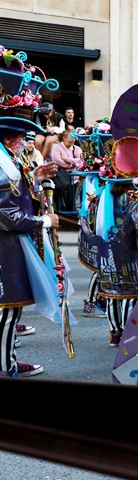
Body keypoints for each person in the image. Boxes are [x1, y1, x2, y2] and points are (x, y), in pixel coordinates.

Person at [0, 120, 61, 377]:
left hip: (10, 246)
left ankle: (7, 360)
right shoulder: (2, 166)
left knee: (9, 311)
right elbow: (5, 215)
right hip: (5, 249)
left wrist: (36, 177)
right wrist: (44, 221)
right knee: (8, 310)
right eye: (20, 138)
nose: (25, 143)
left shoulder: (9, 161)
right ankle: (5, 367)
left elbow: (18, 196)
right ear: (7, 140)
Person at [49, 129, 80, 211]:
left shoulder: (76, 148)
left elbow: (81, 160)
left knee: (73, 199)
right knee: (62, 199)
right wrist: (72, 164)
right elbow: (57, 161)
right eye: (71, 138)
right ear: (64, 138)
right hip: (61, 179)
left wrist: (66, 159)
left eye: (74, 138)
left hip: (74, 179)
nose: (73, 140)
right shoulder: (56, 147)